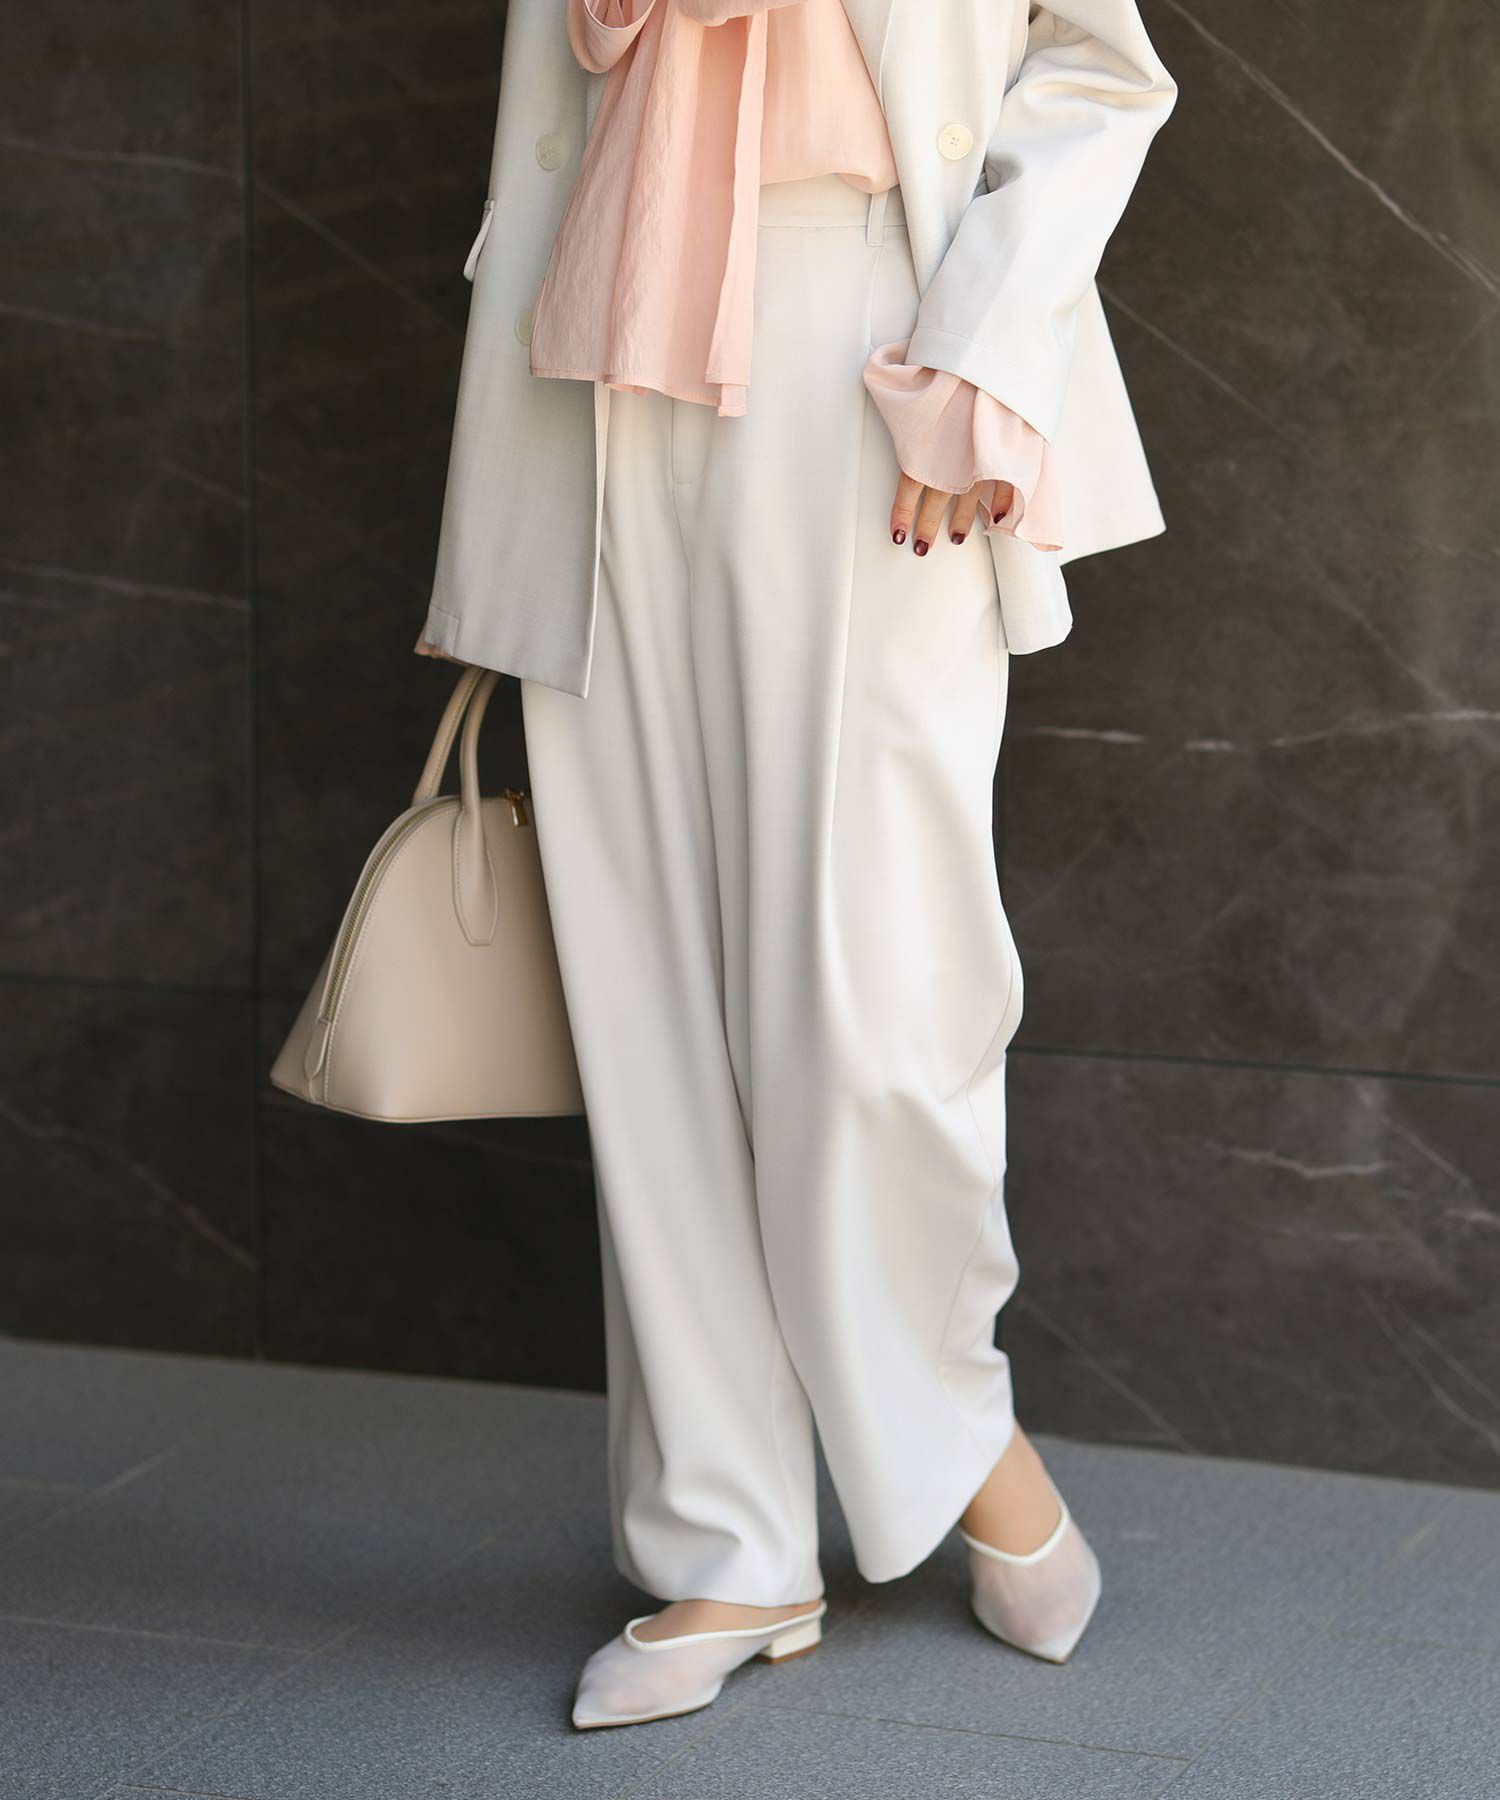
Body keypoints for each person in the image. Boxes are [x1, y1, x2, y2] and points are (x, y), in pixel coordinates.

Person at [415, 0, 1176, 1731]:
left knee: (876, 980)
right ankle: (729, 1541)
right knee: (643, 984)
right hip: (598, 321)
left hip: (876, 327)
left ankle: (960, 1434)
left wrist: (984, 346)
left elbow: (1098, 65)